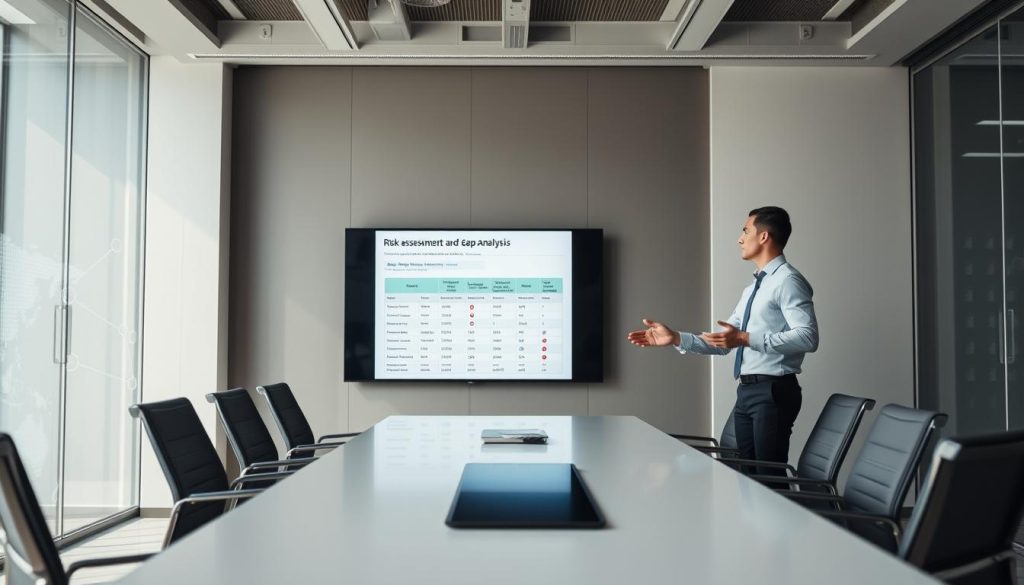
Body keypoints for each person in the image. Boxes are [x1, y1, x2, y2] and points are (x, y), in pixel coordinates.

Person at [627, 206, 818, 473]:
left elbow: (808, 337)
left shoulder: (788, 281)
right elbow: (725, 342)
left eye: (745, 231)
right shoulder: (754, 288)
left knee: (769, 481)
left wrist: (744, 338)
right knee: (744, 476)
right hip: (748, 390)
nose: (740, 239)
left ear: (763, 237)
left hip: (773, 390)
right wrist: (676, 338)